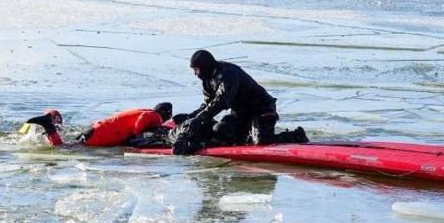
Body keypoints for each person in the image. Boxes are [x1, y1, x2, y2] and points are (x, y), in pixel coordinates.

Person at [183, 49, 307, 148]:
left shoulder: (228, 73)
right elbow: (208, 104)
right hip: (241, 113)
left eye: (196, 70)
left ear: (205, 66)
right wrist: (191, 117)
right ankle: (247, 137)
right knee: (221, 131)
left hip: (261, 108)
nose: (195, 74)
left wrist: (199, 118)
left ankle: (295, 135)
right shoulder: (207, 81)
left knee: (261, 142)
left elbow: (222, 100)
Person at [26, 103, 173, 147]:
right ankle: (48, 124)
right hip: (102, 135)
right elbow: (142, 121)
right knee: (64, 148)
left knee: (71, 144)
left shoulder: (144, 109)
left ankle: (51, 117)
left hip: (98, 128)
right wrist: (137, 133)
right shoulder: (154, 115)